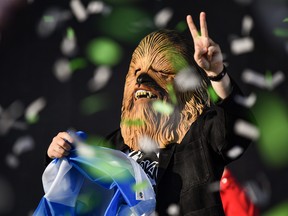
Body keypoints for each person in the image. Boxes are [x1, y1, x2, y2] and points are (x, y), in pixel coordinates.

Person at [46, 12, 255, 215]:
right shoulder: (110, 147)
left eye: (162, 73)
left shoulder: (198, 139)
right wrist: (58, 154)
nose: (142, 80)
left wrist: (217, 74)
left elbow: (239, 129)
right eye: (136, 72)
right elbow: (73, 193)